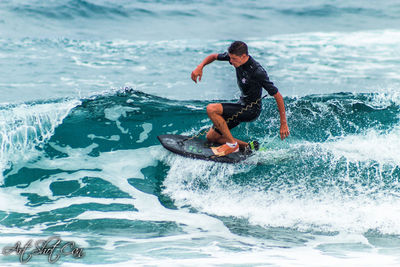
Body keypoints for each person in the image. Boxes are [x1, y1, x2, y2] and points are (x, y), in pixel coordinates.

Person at [191, 41, 290, 156]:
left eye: (233, 59)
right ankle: (249, 147)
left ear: (243, 56)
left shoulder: (257, 71)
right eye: (230, 58)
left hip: (251, 110)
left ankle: (232, 145)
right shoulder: (235, 57)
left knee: (212, 109)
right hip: (241, 105)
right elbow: (213, 56)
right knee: (211, 137)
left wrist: (283, 123)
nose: (230, 61)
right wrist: (200, 67)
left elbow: (278, 96)